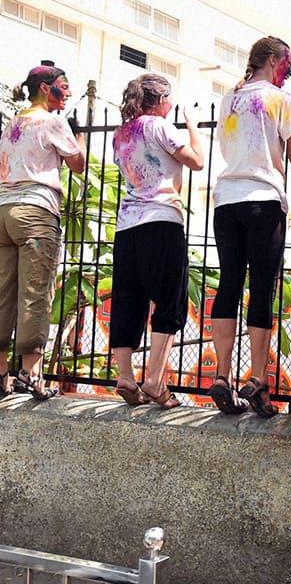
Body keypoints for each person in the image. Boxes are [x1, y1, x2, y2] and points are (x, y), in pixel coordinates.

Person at [209, 36, 291, 416]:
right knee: (261, 286)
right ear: (272, 60)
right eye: (287, 65)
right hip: (263, 198)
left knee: (229, 282)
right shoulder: (282, 100)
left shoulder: (229, 98)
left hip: (226, 198)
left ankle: (220, 375)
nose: (288, 73)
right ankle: (259, 380)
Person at [110, 73, 204, 408]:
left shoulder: (120, 134)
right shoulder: (160, 126)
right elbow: (196, 161)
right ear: (161, 100)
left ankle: (125, 376)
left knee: (128, 298)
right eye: (170, 100)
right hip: (161, 220)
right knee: (169, 299)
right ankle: (154, 382)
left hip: (127, 225)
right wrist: (193, 126)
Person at [0, 65, 86, 399]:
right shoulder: (52, 121)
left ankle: (2, 374)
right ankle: (29, 373)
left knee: (3, 294)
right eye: (63, 87)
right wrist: (79, 137)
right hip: (36, 211)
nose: (66, 93)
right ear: (46, 89)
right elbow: (78, 164)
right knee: (36, 291)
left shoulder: (12, 124)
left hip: (4, 210)